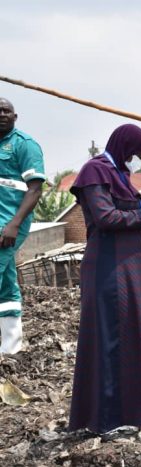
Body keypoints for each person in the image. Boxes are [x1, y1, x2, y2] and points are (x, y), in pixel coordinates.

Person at [68, 124, 141, 434]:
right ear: (124, 147)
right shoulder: (94, 171)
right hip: (108, 268)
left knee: (130, 335)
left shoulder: (120, 174)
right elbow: (106, 218)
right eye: (136, 154)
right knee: (110, 339)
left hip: (131, 267)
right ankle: (104, 418)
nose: (136, 161)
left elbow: (136, 223)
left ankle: (127, 415)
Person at [0, 98, 45, 354]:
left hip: (8, 222)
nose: (2, 114)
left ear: (15, 117)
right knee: (5, 281)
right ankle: (10, 348)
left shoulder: (24, 145)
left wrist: (14, 225)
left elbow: (35, 189)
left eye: (7, 111)